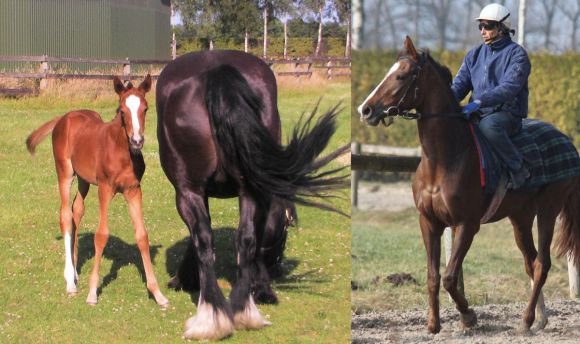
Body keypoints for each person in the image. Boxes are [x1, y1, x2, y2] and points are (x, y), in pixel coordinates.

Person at [451, 3, 531, 189]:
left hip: (507, 115)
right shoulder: (474, 54)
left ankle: (518, 168)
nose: (483, 31)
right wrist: (445, 101)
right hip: (478, 111)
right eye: (480, 26)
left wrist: (480, 101)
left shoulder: (518, 55)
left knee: (489, 126)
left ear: (502, 27)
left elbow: (509, 87)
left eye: (488, 26)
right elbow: (460, 84)